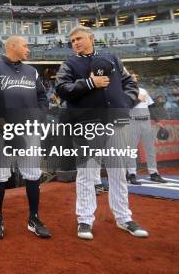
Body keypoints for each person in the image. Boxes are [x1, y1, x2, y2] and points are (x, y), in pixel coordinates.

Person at [55, 26, 148, 241]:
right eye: (72, 41)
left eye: (79, 38)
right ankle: (85, 219)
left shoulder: (112, 58)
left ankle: (124, 218)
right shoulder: (69, 64)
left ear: (91, 37)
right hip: (88, 124)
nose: (75, 43)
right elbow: (61, 88)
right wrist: (89, 83)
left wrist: (125, 102)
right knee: (87, 173)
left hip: (116, 121)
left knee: (118, 173)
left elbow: (130, 83)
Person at [0, 35, 51, 240]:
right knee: (0, 174)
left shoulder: (32, 71)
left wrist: (39, 117)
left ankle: (34, 218)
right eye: (25, 45)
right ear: (12, 46)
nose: (28, 49)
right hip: (4, 131)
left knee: (33, 173)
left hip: (29, 130)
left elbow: (42, 97)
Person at [126, 72, 167, 185]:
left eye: (135, 77)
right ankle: (132, 174)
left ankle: (154, 173)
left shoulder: (143, 90)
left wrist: (158, 121)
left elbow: (151, 107)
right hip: (132, 122)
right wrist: (138, 99)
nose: (135, 78)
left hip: (146, 122)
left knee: (150, 149)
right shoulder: (123, 91)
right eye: (133, 76)